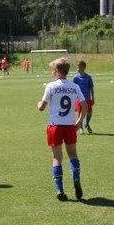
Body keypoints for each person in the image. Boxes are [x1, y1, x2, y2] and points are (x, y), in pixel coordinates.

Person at [37, 57, 86, 201]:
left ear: (57, 71)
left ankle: (59, 189)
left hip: (55, 126)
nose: (52, 72)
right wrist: (78, 122)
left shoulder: (51, 86)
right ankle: (76, 179)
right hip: (70, 125)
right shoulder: (74, 86)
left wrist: (39, 103)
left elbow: (41, 107)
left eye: (53, 70)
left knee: (57, 158)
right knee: (73, 155)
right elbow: (84, 106)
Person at [73, 60, 95, 134]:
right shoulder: (75, 78)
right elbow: (73, 88)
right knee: (80, 112)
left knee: (89, 112)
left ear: (83, 67)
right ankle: (81, 127)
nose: (77, 67)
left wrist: (93, 98)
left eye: (79, 66)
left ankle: (87, 124)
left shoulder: (88, 77)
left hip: (87, 98)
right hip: (79, 98)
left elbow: (91, 88)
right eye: (77, 66)